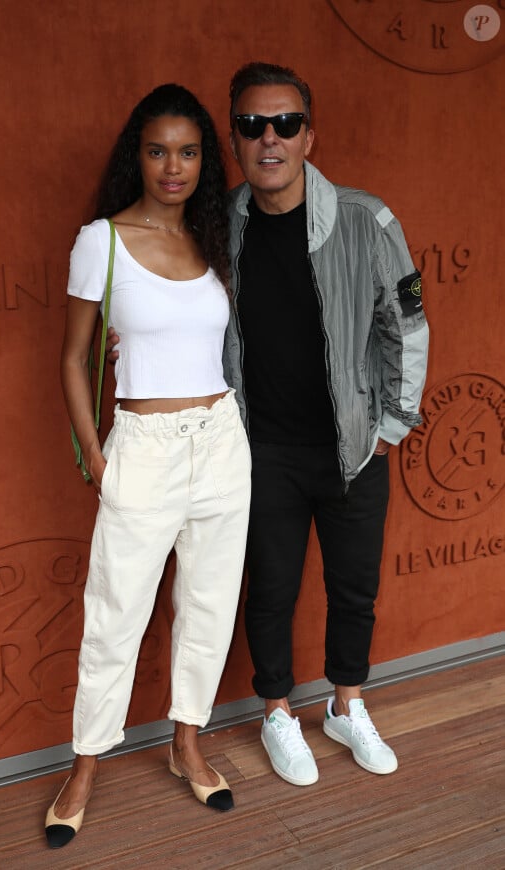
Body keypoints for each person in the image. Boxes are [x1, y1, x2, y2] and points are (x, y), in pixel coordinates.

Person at [107, 61, 429, 788]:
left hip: (353, 446)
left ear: (309, 135)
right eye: (253, 125)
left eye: (285, 124)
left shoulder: (364, 219)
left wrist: (391, 425)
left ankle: (347, 704)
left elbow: (405, 324)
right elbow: (174, 304)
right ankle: (278, 712)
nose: (270, 139)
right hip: (259, 449)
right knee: (271, 588)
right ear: (236, 137)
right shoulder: (219, 225)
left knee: (354, 587)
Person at [48, 83, 251, 849]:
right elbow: (72, 358)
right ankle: (85, 765)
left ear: (206, 160)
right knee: (115, 616)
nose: (174, 166)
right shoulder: (99, 240)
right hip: (143, 449)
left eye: (190, 151)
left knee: (207, 607)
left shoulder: (212, 238)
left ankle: (186, 742)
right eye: (159, 149)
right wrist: (98, 455)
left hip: (222, 443)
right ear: (137, 154)